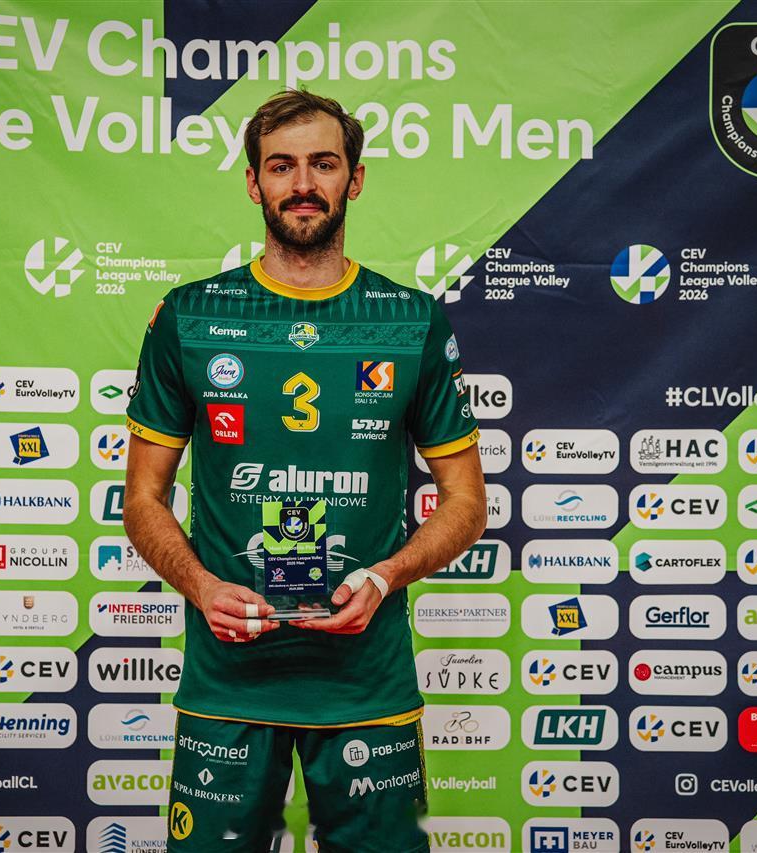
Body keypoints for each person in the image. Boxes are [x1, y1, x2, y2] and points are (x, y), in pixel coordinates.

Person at [122, 88, 486, 853]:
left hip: (367, 686)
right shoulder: (189, 316)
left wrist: (386, 574)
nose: (303, 183)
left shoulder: (410, 319)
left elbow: (465, 501)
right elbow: (143, 498)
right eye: (281, 166)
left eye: (323, 163)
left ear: (355, 178)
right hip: (227, 685)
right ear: (253, 183)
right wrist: (203, 586)